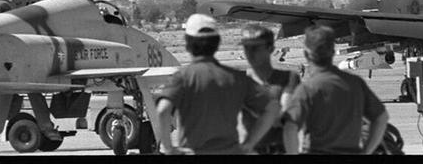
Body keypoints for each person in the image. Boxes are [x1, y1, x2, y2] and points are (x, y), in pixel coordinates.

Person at [155, 14, 280, 154]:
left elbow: (162, 110)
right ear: (217, 43)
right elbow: (273, 108)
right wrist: (249, 144)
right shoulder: (237, 78)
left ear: (188, 43)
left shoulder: (183, 77)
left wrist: (168, 148)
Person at [282, 26, 389, 154]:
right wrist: (366, 151)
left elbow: (290, 128)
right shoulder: (355, 83)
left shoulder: (307, 89)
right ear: (332, 52)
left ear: (306, 54)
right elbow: (381, 117)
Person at [239, 25, 300, 154]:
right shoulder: (241, 81)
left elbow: (284, 120)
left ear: (270, 48)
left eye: (255, 48)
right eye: (246, 47)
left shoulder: (288, 78)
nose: (250, 53)